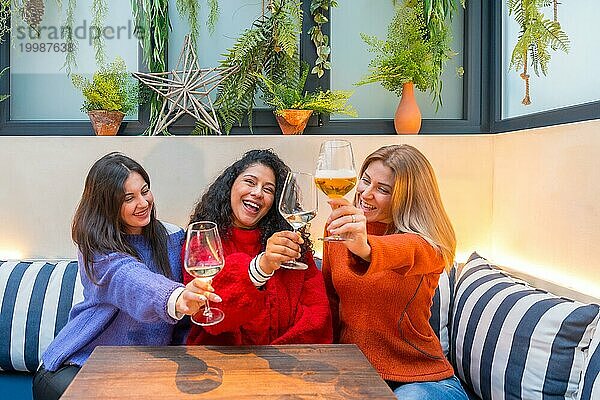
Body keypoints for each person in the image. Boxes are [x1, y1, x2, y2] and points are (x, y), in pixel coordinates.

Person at [33, 152, 218, 400]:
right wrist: (176, 297)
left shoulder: (172, 237)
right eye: (128, 198)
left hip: (137, 370)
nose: (143, 203)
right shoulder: (97, 249)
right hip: (77, 366)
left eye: (145, 191)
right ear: (107, 205)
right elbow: (129, 278)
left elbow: (184, 322)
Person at [321, 145, 468, 400]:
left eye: (383, 189)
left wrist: (363, 246)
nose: (366, 193)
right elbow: (330, 304)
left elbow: (400, 250)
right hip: (355, 374)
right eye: (365, 181)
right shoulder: (338, 230)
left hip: (423, 379)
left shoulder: (427, 245)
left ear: (407, 198)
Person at [183, 149, 332, 346]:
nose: (257, 193)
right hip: (217, 364)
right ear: (230, 186)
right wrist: (261, 266)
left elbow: (317, 315)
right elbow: (210, 316)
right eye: (250, 182)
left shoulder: (291, 246)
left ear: (276, 203)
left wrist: (276, 363)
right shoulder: (203, 240)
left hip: (284, 365)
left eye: (268, 189)